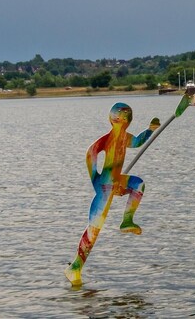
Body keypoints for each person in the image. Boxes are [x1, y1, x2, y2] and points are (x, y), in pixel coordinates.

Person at [65, 103, 159, 286]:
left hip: (116, 181)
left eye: (126, 116)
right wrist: (95, 180)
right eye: (119, 115)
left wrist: (150, 130)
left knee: (138, 184)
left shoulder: (126, 137)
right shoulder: (106, 139)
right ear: (112, 118)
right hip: (104, 185)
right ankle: (75, 267)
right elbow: (90, 153)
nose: (122, 119)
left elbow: (139, 142)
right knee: (94, 230)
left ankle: (127, 220)